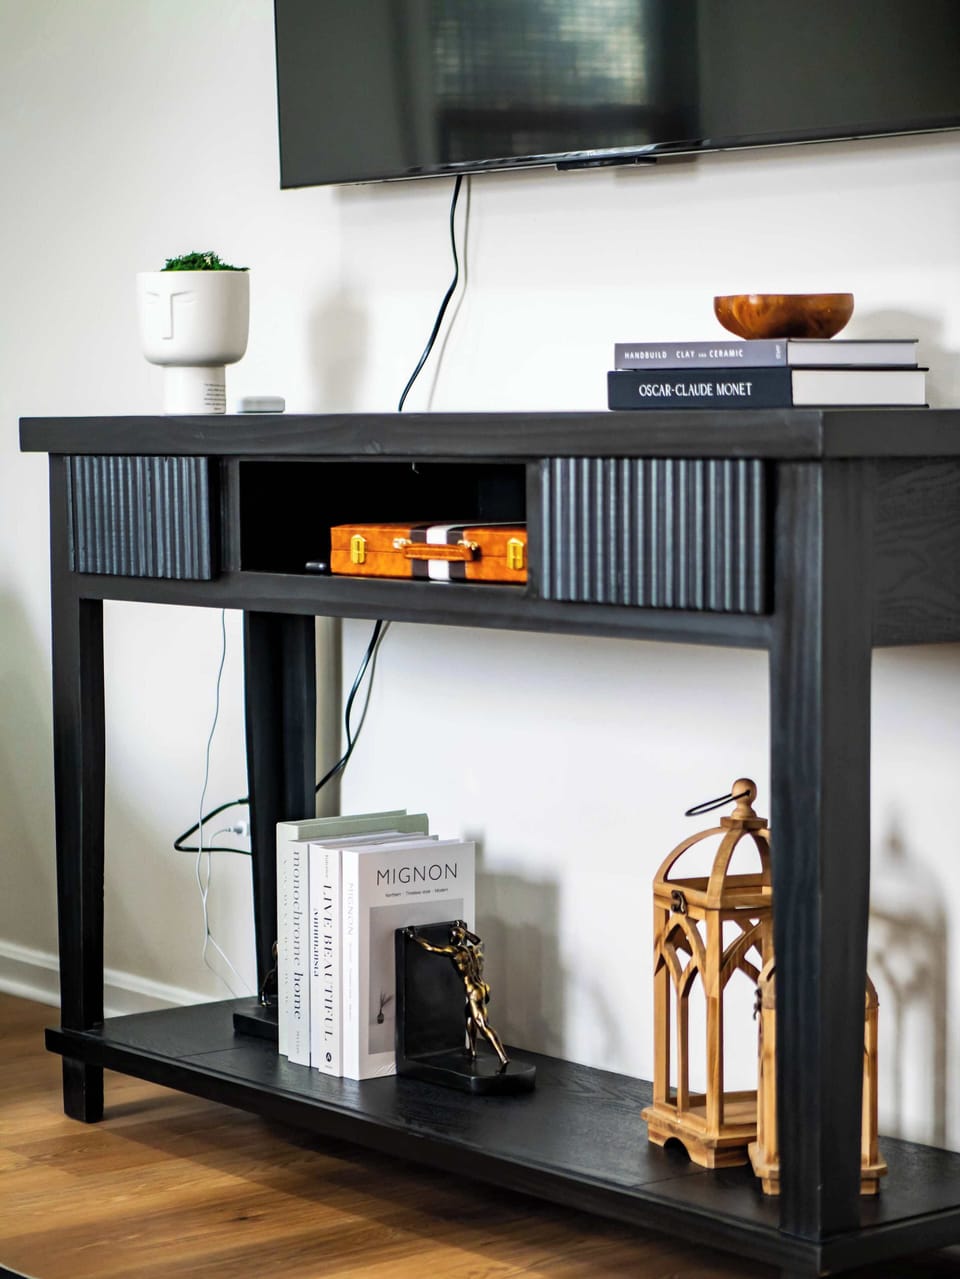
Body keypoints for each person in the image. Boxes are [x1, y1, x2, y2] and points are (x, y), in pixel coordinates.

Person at [414, 922, 509, 1067]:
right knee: (469, 1014)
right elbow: (480, 941)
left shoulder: (455, 952)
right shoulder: (475, 950)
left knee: (483, 1025)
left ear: (453, 939)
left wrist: (413, 936)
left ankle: (503, 1058)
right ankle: (472, 1050)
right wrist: (465, 931)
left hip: (473, 991)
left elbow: (431, 947)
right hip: (483, 987)